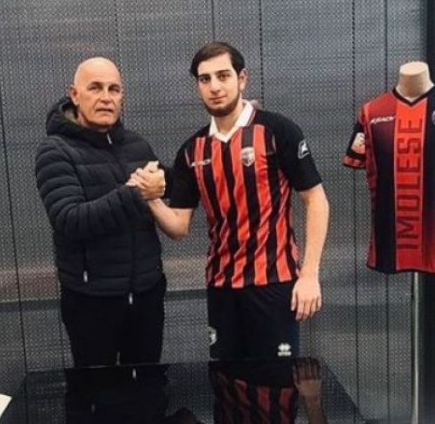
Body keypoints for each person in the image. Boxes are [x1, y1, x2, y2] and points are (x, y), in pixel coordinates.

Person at [131, 42, 330, 360]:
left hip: (274, 284)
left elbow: (315, 199)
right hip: (221, 287)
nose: (214, 87)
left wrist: (309, 275)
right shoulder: (191, 150)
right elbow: (179, 227)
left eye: (223, 76)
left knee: (277, 382)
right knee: (226, 381)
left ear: (242, 78)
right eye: (205, 79)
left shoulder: (277, 131)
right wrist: (152, 200)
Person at [35, 57, 167, 367]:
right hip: (91, 302)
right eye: (95, 88)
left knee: (147, 385)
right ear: (74, 94)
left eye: (114, 89)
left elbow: (165, 186)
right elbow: (70, 220)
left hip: (146, 294)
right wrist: (135, 192)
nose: (106, 97)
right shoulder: (55, 150)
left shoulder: (137, 145)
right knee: (97, 390)